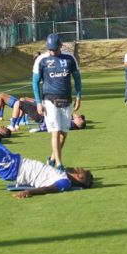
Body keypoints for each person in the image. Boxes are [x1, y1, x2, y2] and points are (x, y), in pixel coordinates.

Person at [0, 136, 93, 198]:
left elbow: (49, 189)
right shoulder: (63, 175)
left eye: (79, 170)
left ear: (80, 177)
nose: (76, 168)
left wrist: (29, 192)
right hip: (15, 162)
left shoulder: (64, 182)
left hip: (12, 167)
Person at [33, 33, 82, 171]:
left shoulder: (69, 58)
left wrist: (78, 96)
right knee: (55, 131)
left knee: (64, 133)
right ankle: (59, 164)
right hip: (49, 100)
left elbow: (77, 78)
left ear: (60, 46)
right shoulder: (41, 60)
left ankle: (52, 159)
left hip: (67, 99)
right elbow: (35, 82)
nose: (52, 51)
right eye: (50, 49)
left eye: (54, 49)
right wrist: (38, 102)